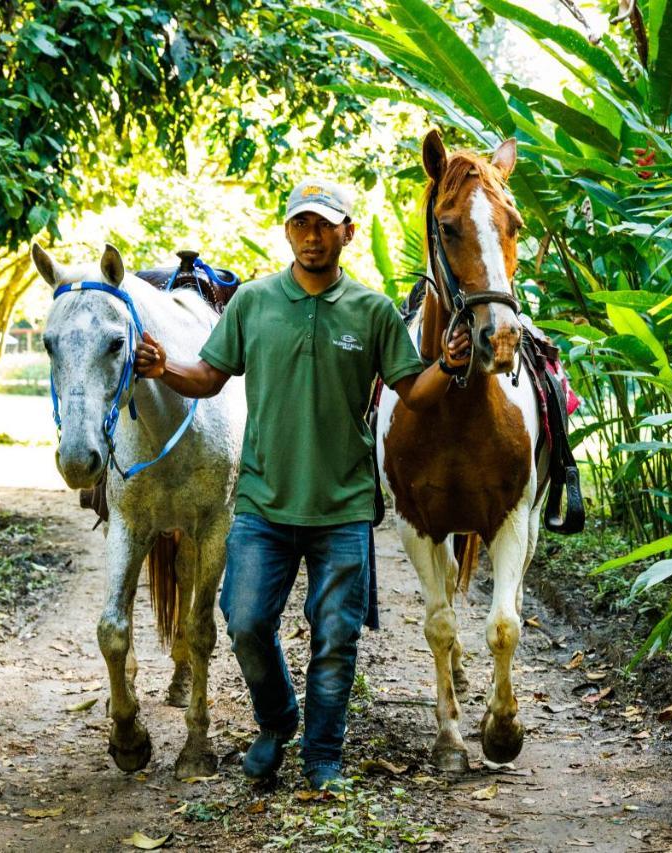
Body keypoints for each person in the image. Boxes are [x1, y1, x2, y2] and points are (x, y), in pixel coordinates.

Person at [133, 178, 470, 790]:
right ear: (288, 231)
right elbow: (209, 377)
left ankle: (322, 756)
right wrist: (165, 370)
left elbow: (411, 393)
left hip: (341, 508)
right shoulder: (254, 303)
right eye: (301, 224)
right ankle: (277, 719)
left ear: (346, 231)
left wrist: (446, 366)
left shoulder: (370, 311)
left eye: (324, 224)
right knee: (243, 620)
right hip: (264, 504)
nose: (312, 236)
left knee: (336, 638)